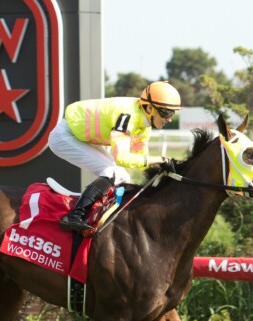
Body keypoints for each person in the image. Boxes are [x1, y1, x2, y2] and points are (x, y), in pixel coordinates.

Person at [48, 80, 182, 232]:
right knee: (112, 172)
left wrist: (160, 164)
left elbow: (140, 160)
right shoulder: (127, 116)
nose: (169, 118)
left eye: (172, 113)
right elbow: (122, 158)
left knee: (124, 178)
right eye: (166, 112)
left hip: (82, 138)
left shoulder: (144, 127)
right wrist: (158, 159)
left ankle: (105, 219)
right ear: (149, 107)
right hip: (65, 136)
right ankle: (74, 216)